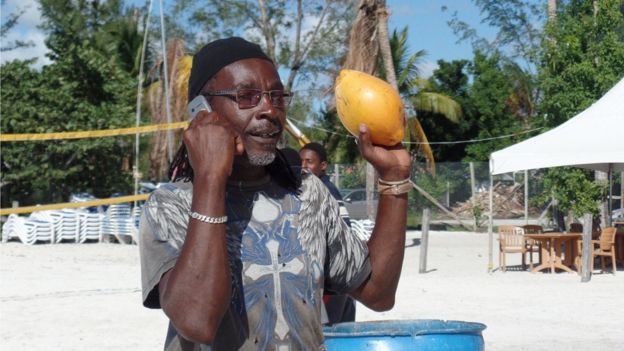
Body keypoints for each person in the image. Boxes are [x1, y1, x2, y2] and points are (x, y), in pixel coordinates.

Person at [139, 37, 411, 351]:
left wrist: (394, 182)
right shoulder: (170, 205)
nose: (269, 109)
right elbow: (197, 321)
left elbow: (378, 293)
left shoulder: (307, 191)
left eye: (277, 96)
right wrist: (211, 178)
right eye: (247, 96)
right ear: (202, 111)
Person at [300, 142, 356, 325]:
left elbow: (340, 235)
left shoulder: (323, 191)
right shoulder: (315, 188)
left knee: (329, 332)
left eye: (309, 162)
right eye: (301, 161)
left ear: (322, 166)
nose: (304, 166)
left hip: (332, 278)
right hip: (341, 278)